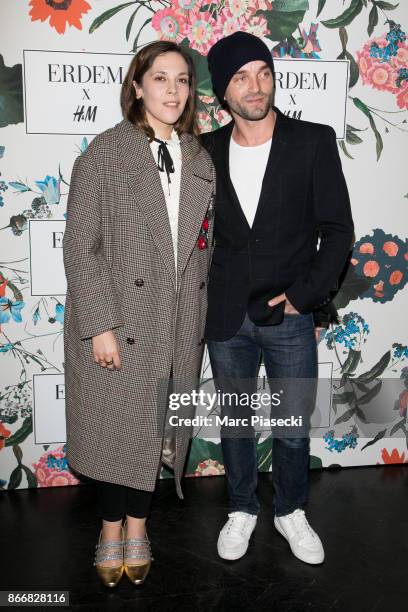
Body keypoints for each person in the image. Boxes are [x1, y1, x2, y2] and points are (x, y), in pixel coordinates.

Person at [63, 40, 215, 588]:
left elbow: (203, 247)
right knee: (114, 433)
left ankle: (138, 524)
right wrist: (99, 324)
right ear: (137, 87)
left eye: (181, 80)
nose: (172, 90)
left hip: (176, 324)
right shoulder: (105, 152)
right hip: (119, 325)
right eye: (160, 79)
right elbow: (81, 248)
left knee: (153, 433)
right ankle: (110, 531)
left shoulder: (200, 159)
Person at [200, 32, 354, 565]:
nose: (255, 85)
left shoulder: (312, 140)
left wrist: (306, 298)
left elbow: (337, 231)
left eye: (262, 72)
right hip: (226, 316)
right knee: (236, 424)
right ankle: (241, 507)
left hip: (289, 316)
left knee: (292, 428)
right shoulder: (205, 150)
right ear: (223, 91)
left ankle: (290, 510)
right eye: (240, 76)